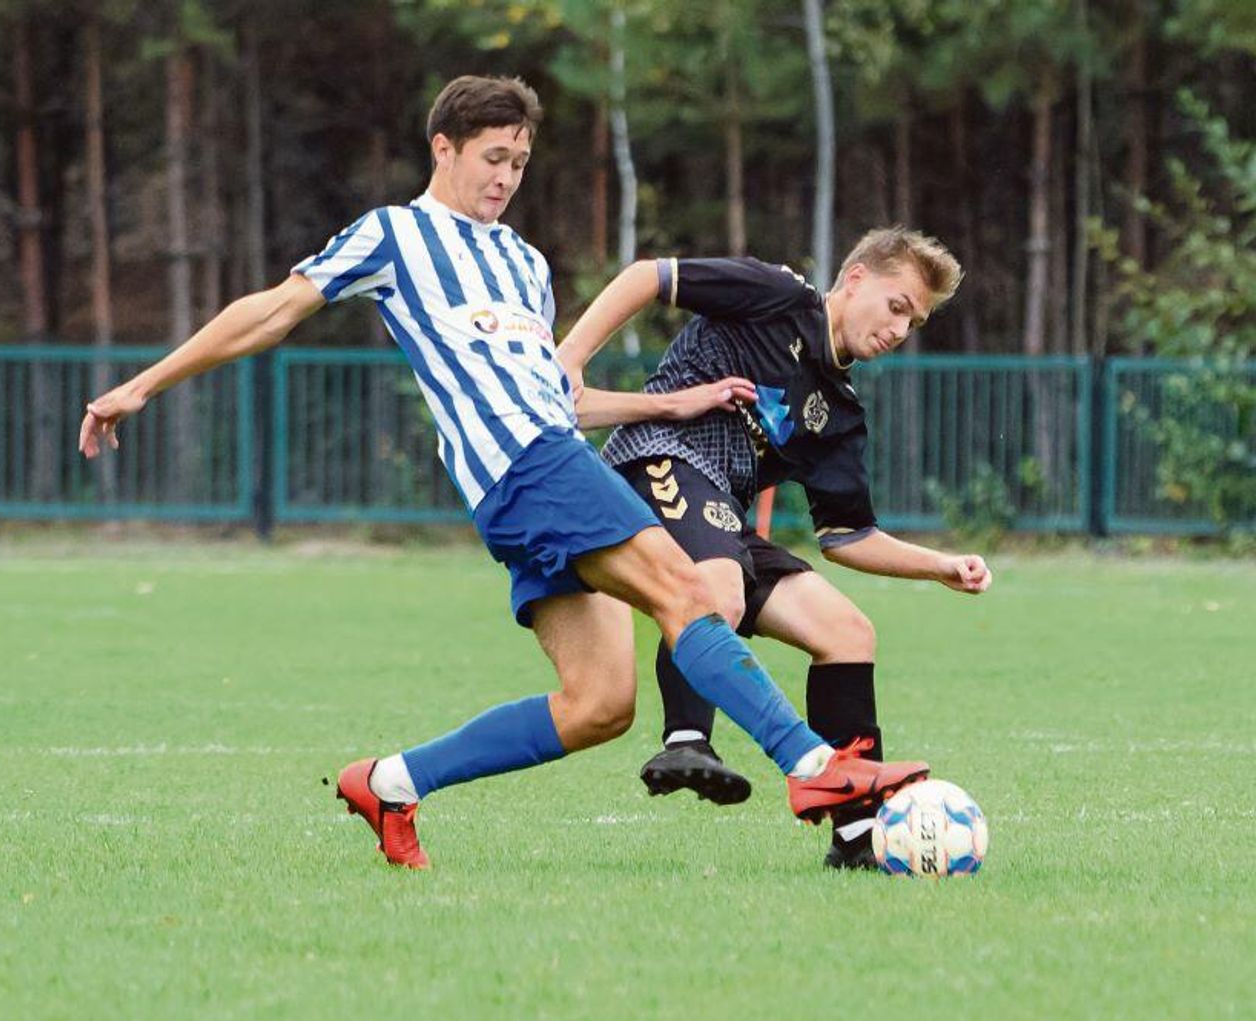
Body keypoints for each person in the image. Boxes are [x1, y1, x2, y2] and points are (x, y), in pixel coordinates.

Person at [79, 76, 928, 869]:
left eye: (519, 162)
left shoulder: (525, 264)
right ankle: (814, 764)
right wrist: (145, 382)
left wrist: (661, 407)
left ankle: (388, 784)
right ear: (442, 147)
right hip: (525, 470)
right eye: (493, 157)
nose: (507, 177)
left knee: (599, 703)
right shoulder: (393, 235)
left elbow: (559, 398)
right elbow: (269, 311)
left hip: (545, 461)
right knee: (690, 592)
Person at [556, 228, 992, 869]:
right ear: (855, 280)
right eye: (897, 306)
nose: (901, 330)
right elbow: (650, 275)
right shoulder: (778, 296)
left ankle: (856, 835)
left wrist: (940, 566)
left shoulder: (839, 411)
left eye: (915, 321)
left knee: (847, 631)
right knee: (718, 587)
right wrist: (568, 359)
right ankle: (685, 740)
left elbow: (848, 537)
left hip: (721, 520)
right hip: (655, 459)